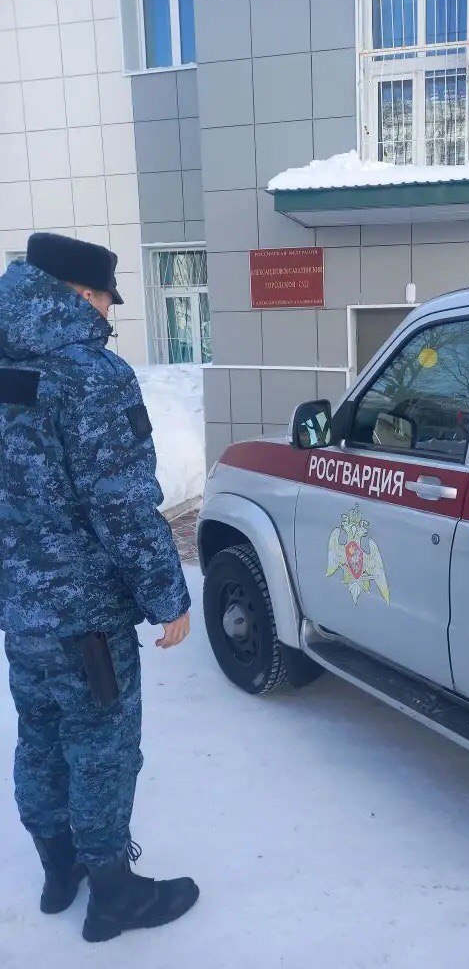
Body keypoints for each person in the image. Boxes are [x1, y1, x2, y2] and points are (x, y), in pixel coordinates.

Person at [0, 233, 198, 942]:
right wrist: (167, 595)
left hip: (20, 606)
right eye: (107, 299)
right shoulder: (90, 375)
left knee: (41, 735)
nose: (109, 313)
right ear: (82, 295)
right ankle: (113, 896)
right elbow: (121, 503)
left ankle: (59, 872)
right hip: (83, 612)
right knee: (101, 747)